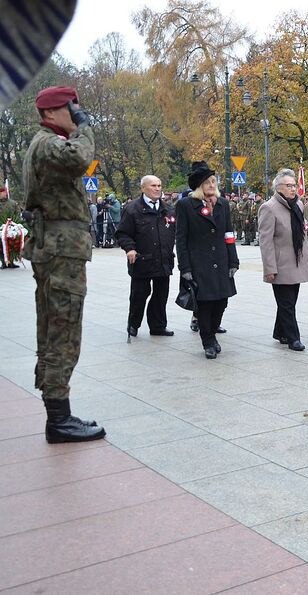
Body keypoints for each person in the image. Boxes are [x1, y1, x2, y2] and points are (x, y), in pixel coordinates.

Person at [22, 85, 105, 442]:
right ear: (53, 112)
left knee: (56, 327)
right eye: (72, 109)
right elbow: (78, 159)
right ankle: (58, 419)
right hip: (60, 251)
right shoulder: (48, 144)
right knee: (63, 330)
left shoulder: (44, 143)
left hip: (56, 249)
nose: (76, 115)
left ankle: (59, 413)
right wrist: (85, 129)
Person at [175, 162, 239, 359]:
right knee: (204, 304)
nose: (212, 184)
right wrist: (184, 267)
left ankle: (212, 333)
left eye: (213, 181)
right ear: (199, 185)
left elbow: (229, 233)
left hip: (221, 260)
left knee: (221, 302)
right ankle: (208, 341)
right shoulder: (186, 205)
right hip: (199, 262)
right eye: (208, 182)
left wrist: (233, 260)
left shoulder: (223, 204)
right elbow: (181, 238)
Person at [258, 168, 308, 351]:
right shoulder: (269, 208)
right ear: (278, 187)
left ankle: (280, 331)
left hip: (296, 261)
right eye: (289, 186)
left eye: (294, 185)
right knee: (287, 303)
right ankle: (293, 338)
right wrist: (269, 268)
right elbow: (265, 241)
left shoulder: (297, 205)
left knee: (289, 301)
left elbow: (301, 230)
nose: (293, 189)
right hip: (281, 265)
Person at [115, 174, 176, 337]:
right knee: (139, 294)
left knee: (161, 295)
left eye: (159, 185)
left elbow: (175, 230)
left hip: (163, 260)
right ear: (143, 188)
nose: (157, 189)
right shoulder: (132, 208)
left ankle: (158, 326)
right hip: (142, 260)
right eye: (153, 186)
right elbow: (123, 233)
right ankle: (133, 324)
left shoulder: (168, 209)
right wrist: (129, 249)